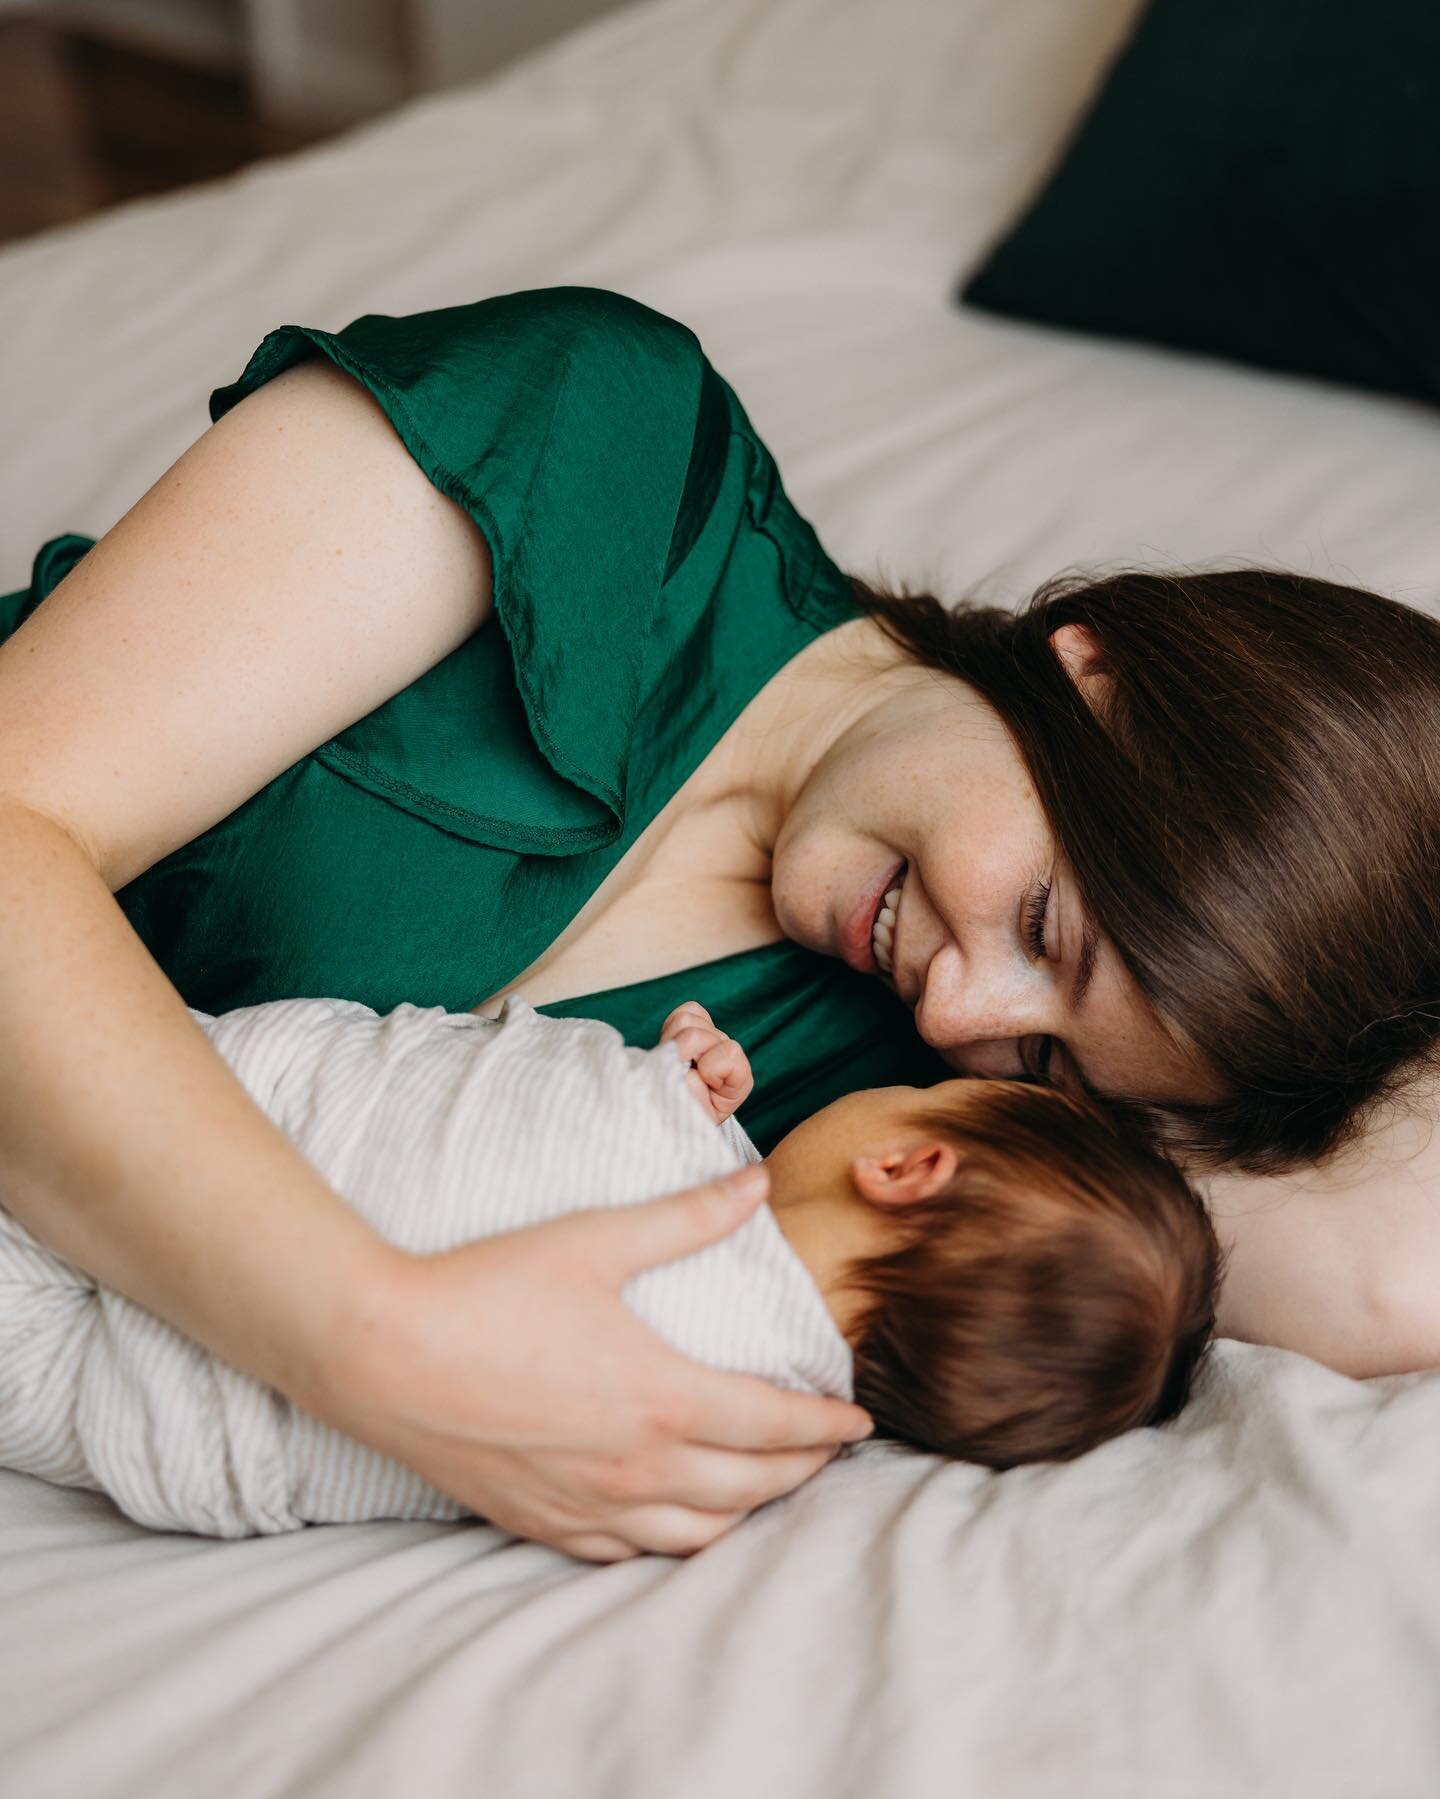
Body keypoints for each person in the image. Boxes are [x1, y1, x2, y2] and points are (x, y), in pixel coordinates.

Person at [1, 284, 1438, 1560]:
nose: (961, 1012)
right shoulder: (601, 437)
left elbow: (1384, 1271)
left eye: (1051, 1059)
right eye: (1048, 926)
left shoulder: (866, 1114)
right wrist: (366, 1337)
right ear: (1095, 674)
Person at [0, 995, 1218, 1538]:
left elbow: (489, 1089)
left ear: (907, 1165)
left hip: (191, 1150)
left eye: (914, 1089)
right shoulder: (744, 1438)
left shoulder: (649, 1133)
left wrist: (660, 1085)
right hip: (124, 1417)